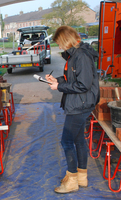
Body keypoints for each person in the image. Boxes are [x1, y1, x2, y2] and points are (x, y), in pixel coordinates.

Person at [45, 25, 99, 194]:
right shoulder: (76, 55)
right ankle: (81, 177)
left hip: (80, 104)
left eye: (60, 44)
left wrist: (59, 86)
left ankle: (72, 180)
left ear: (66, 40)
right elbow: (73, 77)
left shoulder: (81, 56)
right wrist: (57, 79)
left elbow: (83, 84)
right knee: (79, 140)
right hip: (80, 102)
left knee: (66, 141)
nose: (60, 47)